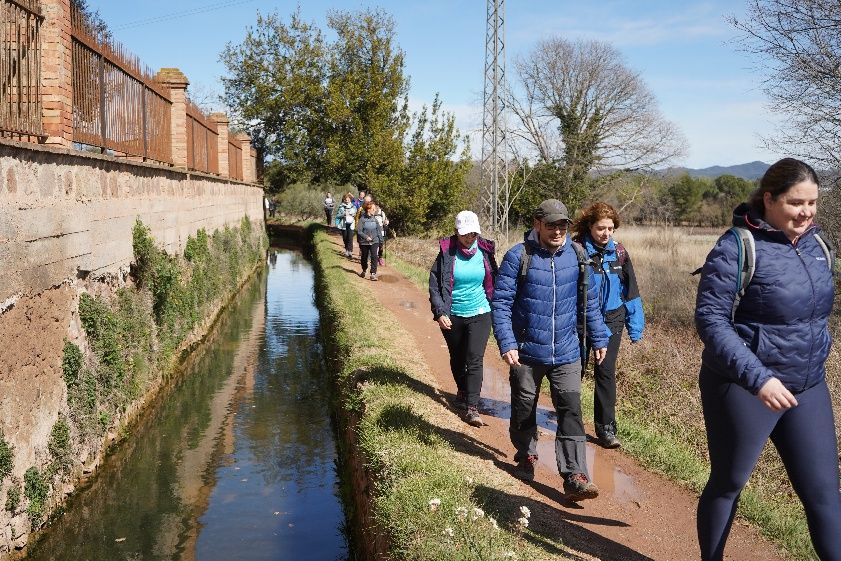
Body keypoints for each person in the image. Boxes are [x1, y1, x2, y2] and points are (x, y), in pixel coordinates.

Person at [694, 158, 840, 561]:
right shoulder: (737, 246)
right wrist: (759, 379)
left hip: (807, 385)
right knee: (729, 482)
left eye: (813, 203)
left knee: (824, 494)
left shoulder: (817, 245)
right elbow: (710, 321)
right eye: (797, 203)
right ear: (770, 199)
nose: (807, 212)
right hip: (744, 386)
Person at [492, 199, 610, 501]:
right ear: (537, 225)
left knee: (571, 410)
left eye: (562, 225)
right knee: (523, 406)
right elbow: (502, 304)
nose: (557, 230)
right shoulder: (518, 257)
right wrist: (507, 342)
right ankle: (526, 454)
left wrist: (599, 337)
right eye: (551, 225)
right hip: (526, 351)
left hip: (568, 351)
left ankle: (575, 475)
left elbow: (589, 303)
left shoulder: (578, 255)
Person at [571, 202, 644, 449]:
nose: (606, 233)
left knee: (605, 373)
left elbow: (630, 290)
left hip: (612, 319)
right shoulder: (576, 250)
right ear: (589, 226)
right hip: (580, 321)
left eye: (611, 228)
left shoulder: (619, 253)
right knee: (574, 372)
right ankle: (570, 422)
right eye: (601, 228)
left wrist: (636, 326)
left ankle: (606, 429)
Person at [428, 210, 498, 427]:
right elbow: (434, 285)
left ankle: (472, 407)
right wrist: (440, 312)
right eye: (466, 234)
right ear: (456, 233)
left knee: (474, 359)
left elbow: (495, 280)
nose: (470, 238)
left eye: (474, 233)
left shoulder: (485, 252)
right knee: (457, 358)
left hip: (480, 311)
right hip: (453, 315)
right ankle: (462, 389)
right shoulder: (446, 253)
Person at [356, 201, 384, 280]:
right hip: (364, 242)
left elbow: (379, 232)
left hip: (375, 241)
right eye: (373, 209)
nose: (375, 210)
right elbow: (359, 231)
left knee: (374, 256)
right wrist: (366, 237)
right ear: (368, 209)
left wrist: (381, 243)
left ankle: (373, 273)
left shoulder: (375, 220)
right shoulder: (362, 219)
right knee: (364, 257)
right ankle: (364, 270)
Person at [337, 193, 356, 258]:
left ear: (350, 200)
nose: (347, 200)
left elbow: (355, 214)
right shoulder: (341, 206)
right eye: (346, 199)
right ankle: (346, 249)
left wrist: (351, 214)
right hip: (343, 224)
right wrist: (343, 215)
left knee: (350, 238)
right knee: (345, 238)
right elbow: (338, 215)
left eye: (348, 199)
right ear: (344, 200)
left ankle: (350, 251)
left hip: (351, 224)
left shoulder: (353, 206)